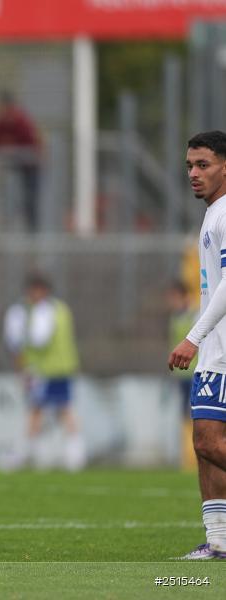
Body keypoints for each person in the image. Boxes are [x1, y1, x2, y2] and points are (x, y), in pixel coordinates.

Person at [168, 130, 226, 560]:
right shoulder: (211, 215)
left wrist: (192, 336)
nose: (193, 173)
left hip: (221, 348)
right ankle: (219, 540)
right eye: (190, 165)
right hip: (214, 350)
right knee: (203, 444)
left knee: (209, 442)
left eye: (203, 164)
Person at [2, 272, 85, 471]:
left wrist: (23, 358)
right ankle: (73, 455)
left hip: (46, 370)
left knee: (39, 410)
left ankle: (25, 454)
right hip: (63, 367)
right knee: (60, 409)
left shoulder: (41, 311)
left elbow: (39, 339)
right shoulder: (61, 308)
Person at [0, 90, 42, 232]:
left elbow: (31, 144)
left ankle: (32, 232)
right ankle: (8, 229)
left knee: (30, 200)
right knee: (9, 199)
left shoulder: (21, 121)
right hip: (11, 167)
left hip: (29, 167)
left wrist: (14, 150)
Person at [167, 280, 199, 471]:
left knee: (197, 415)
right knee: (184, 416)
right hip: (181, 375)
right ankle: (187, 458)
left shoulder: (196, 314)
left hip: (196, 373)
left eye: (174, 297)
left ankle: (194, 456)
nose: (172, 301)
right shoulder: (175, 317)